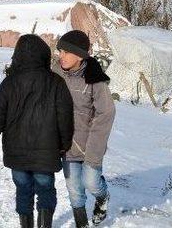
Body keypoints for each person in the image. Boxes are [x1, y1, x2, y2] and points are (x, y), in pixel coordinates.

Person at [0, 34, 74, 228]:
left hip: (17, 152)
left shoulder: (9, 83)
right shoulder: (56, 82)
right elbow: (65, 117)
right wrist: (64, 144)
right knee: (46, 190)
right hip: (46, 152)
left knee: (23, 190)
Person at [53, 30, 116, 228]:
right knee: (74, 189)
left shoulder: (94, 79)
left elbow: (106, 114)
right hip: (67, 145)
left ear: (79, 55)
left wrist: (94, 152)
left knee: (91, 183)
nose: (60, 56)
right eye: (59, 51)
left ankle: (102, 196)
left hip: (89, 146)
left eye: (65, 52)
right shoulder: (54, 74)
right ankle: (82, 224)